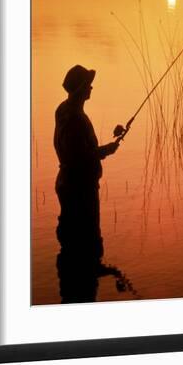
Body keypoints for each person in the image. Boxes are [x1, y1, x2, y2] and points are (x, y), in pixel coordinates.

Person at [53, 65, 119, 302]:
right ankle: (83, 288)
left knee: (73, 239)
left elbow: (78, 153)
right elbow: (80, 157)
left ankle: (80, 281)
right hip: (79, 188)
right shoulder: (76, 119)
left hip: (69, 184)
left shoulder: (63, 110)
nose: (91, 87)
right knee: (85, 241)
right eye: (88, 84)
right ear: (81, 89)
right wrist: (106, 150)